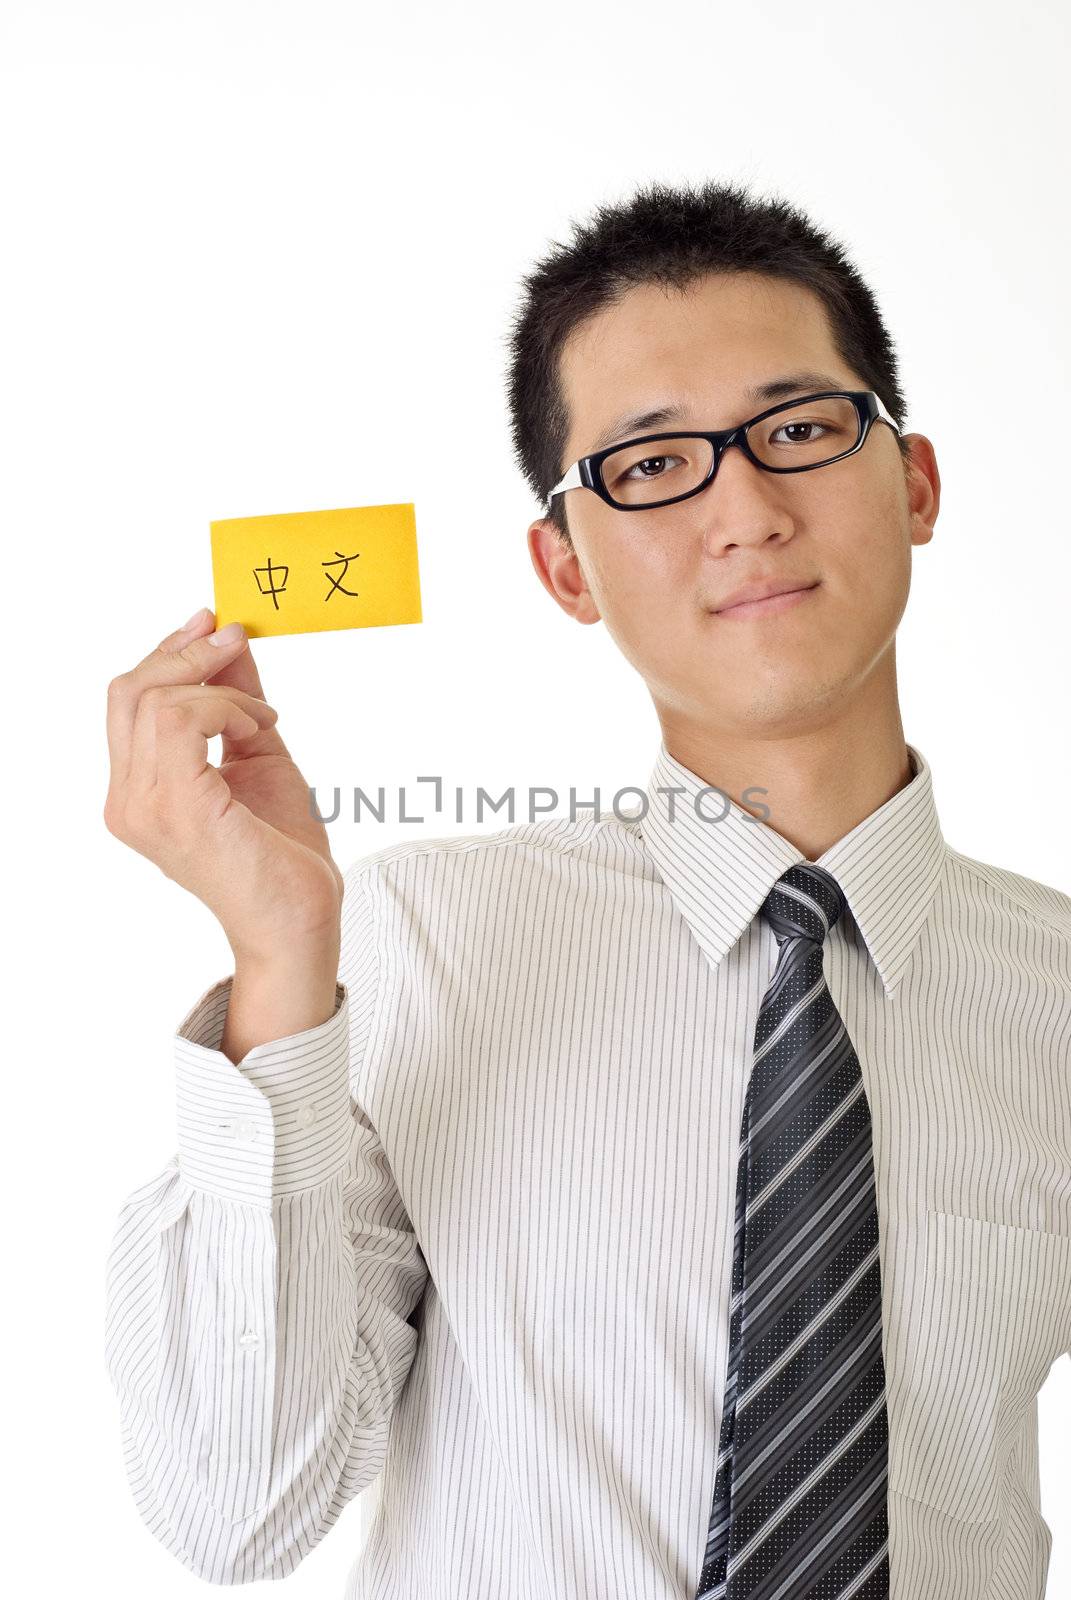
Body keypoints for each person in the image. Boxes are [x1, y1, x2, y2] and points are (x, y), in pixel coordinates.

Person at [103, 179, 1071, 1600]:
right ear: (566, 569)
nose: (743, 508)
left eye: (799, 430)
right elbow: (233, 1509)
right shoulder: (416, 942)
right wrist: (277, 961)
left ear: (913, 484)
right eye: (653, 466)